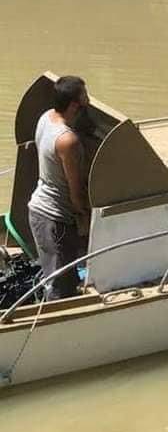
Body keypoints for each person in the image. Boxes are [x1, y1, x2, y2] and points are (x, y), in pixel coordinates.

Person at [27, 76, 91, 300]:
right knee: (59, 290)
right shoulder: (67, 141)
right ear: (74, 104)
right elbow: (75, 190)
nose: (88, 100)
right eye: (84, 96)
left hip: (37, 209)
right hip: (56, 220)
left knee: (58, 277)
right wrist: (84, 217)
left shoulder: (46, 117)